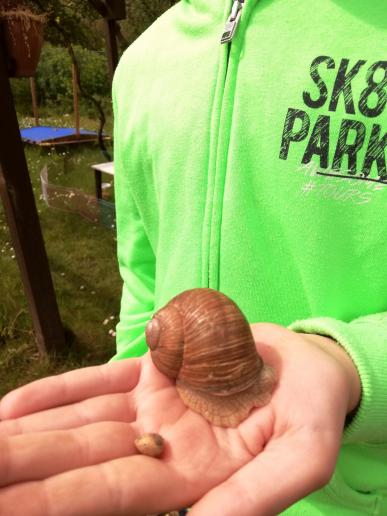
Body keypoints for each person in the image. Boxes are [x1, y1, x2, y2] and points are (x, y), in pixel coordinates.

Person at [0, 0, 386, 514]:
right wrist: (137, 394)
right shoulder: (142, 65)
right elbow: (143, 279)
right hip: (180, 454)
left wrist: (352, 366)